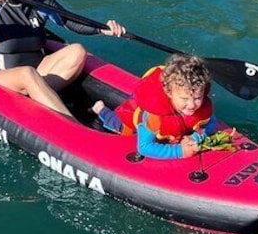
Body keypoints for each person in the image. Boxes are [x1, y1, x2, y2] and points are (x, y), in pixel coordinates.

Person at [93, 54, 223, 159]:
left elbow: (212, 123)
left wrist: (196, 137)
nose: (192, 105)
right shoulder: (154, 117)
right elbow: (144, 147)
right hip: (127, 123)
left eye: (197, 98)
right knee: (115, 123)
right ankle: (100, 109)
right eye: (184, 99)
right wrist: (179, 151)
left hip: (174, 130)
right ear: (169, 93)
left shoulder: (199, 106)